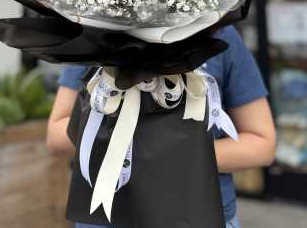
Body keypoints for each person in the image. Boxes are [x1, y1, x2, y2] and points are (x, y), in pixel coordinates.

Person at [47, 25, 276, 228]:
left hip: (198, 214)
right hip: (107, 215)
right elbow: (56, 134)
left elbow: (261, 144)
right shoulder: (96, 31)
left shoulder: (217, 32)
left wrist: (168, 156)